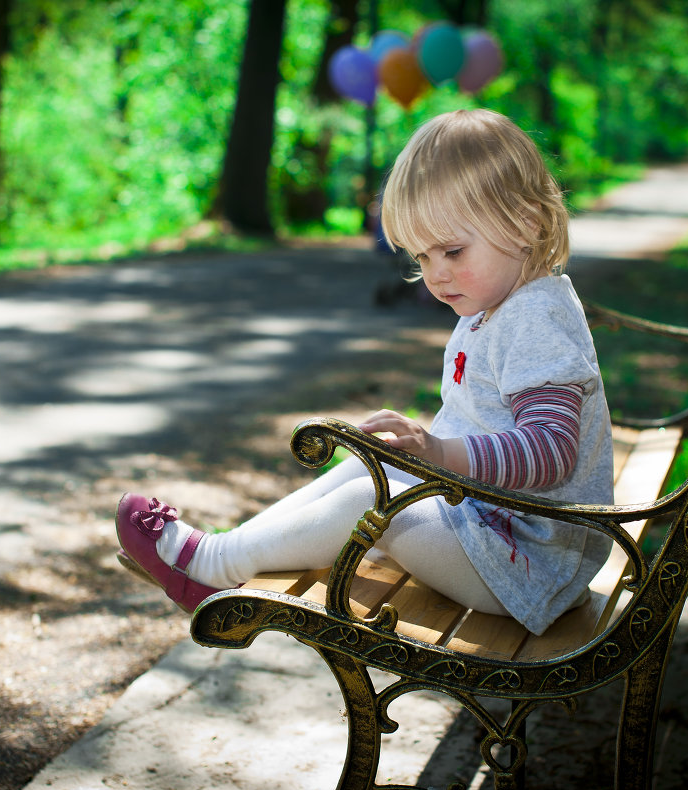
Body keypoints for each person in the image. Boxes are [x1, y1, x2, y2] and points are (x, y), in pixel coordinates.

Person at [115, 109, 614, 636]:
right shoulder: (499, 303)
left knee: (372, 500)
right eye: (423, 255)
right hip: (494, 530)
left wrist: (440, 453)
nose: (436, 275)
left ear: (527, 223)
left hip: (527, 565)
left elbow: (551, 448)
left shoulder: (535, 315)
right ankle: (220, 555)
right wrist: (427, 450)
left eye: (452, 250)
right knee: (370, 467)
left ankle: (215, 566)